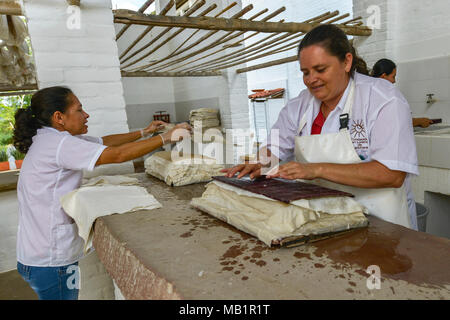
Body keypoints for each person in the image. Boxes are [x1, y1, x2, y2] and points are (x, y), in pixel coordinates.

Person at [223, 24, 419, 231]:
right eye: (305, 72)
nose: (311, 80)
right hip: (325, 222)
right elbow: (276, 147)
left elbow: (392, 174)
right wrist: (260, 162)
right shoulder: (299, 107)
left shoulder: (382, 99)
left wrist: (316, 169)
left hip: (382, 225)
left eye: (320, 69)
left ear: (346, 61)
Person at [13, 86, 191, 300]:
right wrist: (166, 138)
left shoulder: (51, 139)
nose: (86, 115)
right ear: (59, 117)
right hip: (51, 260)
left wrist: (145, 132)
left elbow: (104, 142)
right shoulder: (59, 144)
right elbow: (115, 155)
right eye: (79, 110)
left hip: (35, 254)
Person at [371, 58, 432, 128]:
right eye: (393, 77)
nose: (394, 81)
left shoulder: (371, 91)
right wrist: (420, 121)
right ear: (383, 76)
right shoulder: (384, 96)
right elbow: (396, 121)